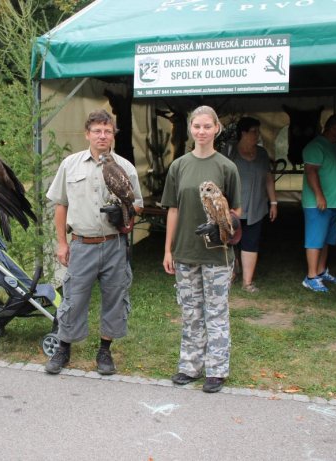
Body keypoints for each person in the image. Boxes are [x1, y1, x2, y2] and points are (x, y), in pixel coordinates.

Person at [44, 109, 143, 376]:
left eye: (107, 131)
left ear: (113, 135)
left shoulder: (126, 167)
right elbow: (60, 205)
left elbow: (138, 206)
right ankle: (63, 348)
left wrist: (126, 213)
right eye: (97, 131)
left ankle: (105, 351)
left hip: (114, 243)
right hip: (82, 243)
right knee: (73, 299)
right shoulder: (71, 164)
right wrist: (62, 244)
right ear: (87, 134)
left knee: (115, 297)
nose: (102, 136)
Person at [162, 105, 241, 394]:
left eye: (207, 126)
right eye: (197, 126)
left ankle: (217, 370)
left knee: (216, 311)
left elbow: (237, 211)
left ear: (216, 129)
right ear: (191, 129)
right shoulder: (179, 166)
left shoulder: (226, 167)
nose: (202, 131)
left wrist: (221, 224)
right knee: (191, 311)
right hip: (185, 250)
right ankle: (190, 365)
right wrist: (168, 250)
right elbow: (172, 209)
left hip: (217, 253)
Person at [300, 114, 336, 292]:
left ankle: (321, 271)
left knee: (327, 239)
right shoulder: (315, 146)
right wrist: (320, 196)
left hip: (335, 202)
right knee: (315, 240)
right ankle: (311, 276)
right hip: (318, 203)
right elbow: (311, 172)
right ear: (331, 126)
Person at [227, 117, 277, 292]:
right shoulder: (230, 152)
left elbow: (268, 179)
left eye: (258, 131)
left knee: (251, 242)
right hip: (232, 207)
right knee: (229, 241)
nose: (257, 135)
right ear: (243, 133)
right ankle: (231, 274)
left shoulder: (262, 154)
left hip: (256, 206)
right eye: (254, 131)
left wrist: (274, 202)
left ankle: (247, 282)